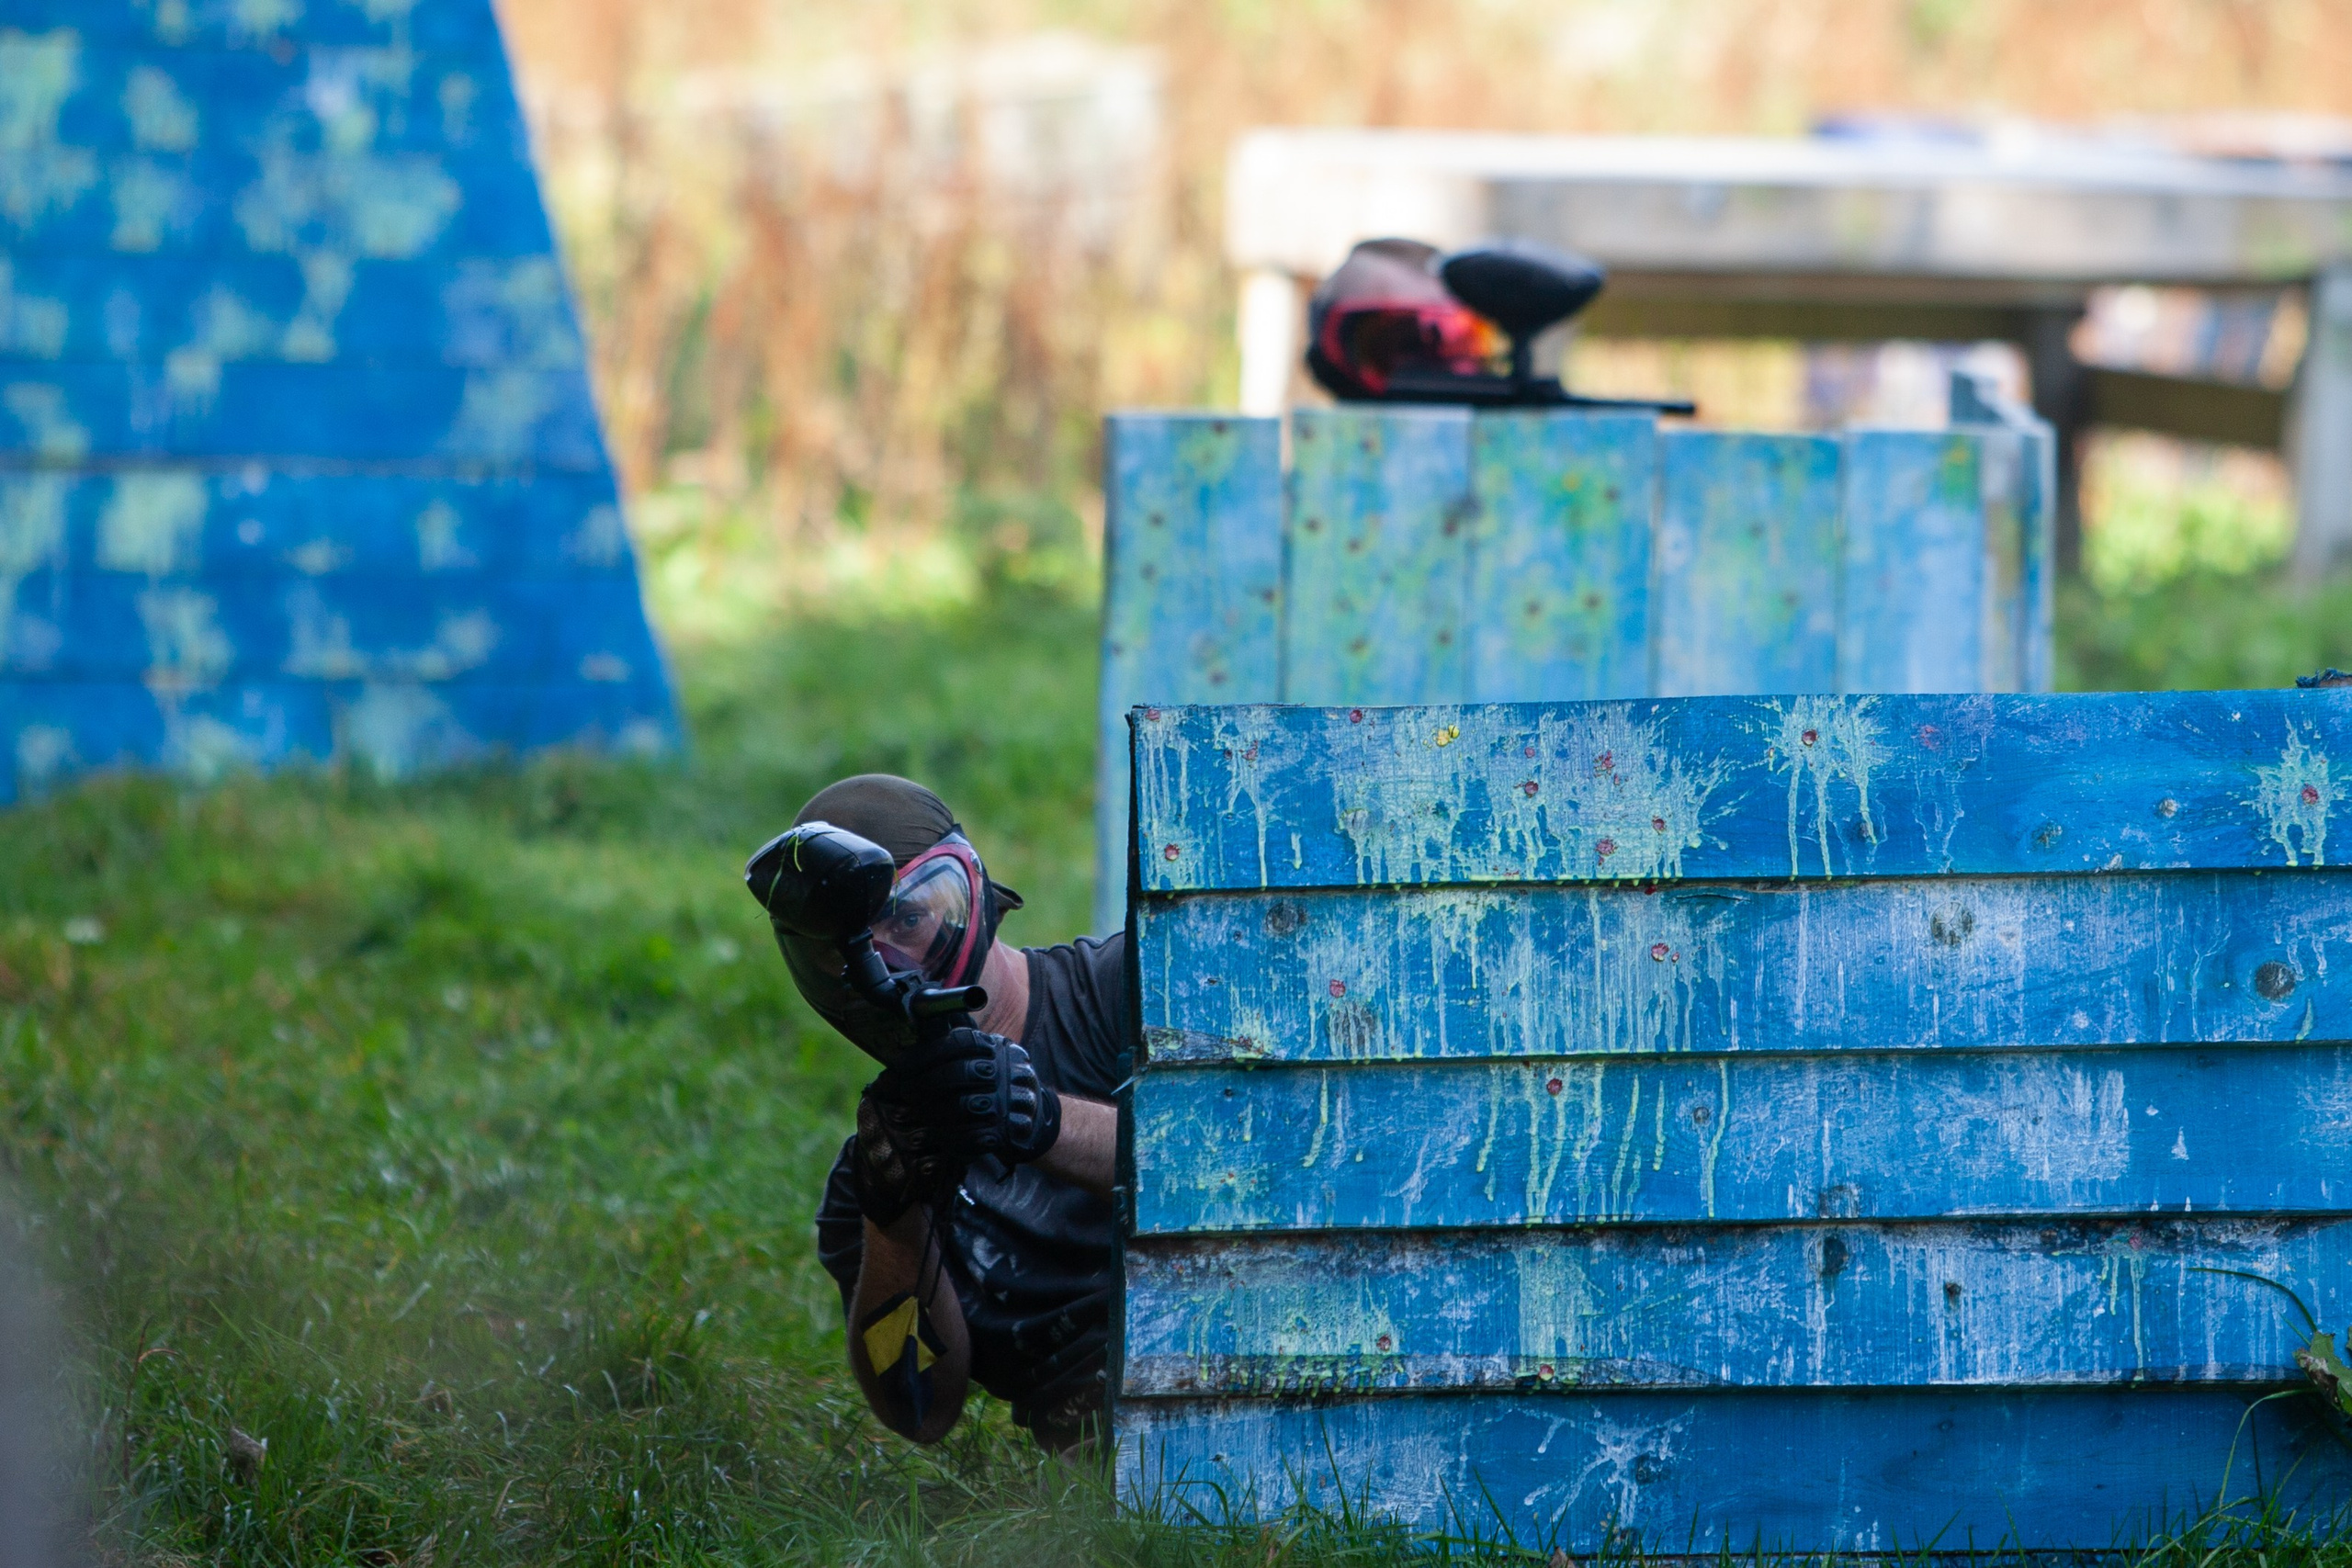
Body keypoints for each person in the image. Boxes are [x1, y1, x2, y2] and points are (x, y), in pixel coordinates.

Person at [755, 774, 1126, 1452]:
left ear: (971, 895)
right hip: (1108, 1467)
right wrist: (896, 1223)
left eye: (908, 919)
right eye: (849, 953)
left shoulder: (1122, 990)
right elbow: (920, 1408)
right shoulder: (876, 1177)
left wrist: (1039, 1119)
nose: (889, 968)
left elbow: (1255, 1165)